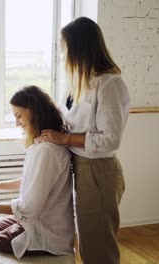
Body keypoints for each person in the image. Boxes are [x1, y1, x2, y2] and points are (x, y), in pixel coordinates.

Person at [37, 17, 130, 264]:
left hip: (98, 172)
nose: (61, 53)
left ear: (79, 48)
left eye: (63, 47)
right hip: (81, 166)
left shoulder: (110, 84)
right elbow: (70, 122)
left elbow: (110, 139)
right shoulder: (77, 82)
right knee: (87, 242)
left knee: (98, 246)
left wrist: (64, 138)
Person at [0, 85, 75, 264]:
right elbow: (32, 182)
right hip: (31, 221)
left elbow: (29, 207)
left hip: (44, 232)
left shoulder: (47, 150)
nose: (16, 122)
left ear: (35, 113)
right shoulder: (41, 144)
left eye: (19, 116)